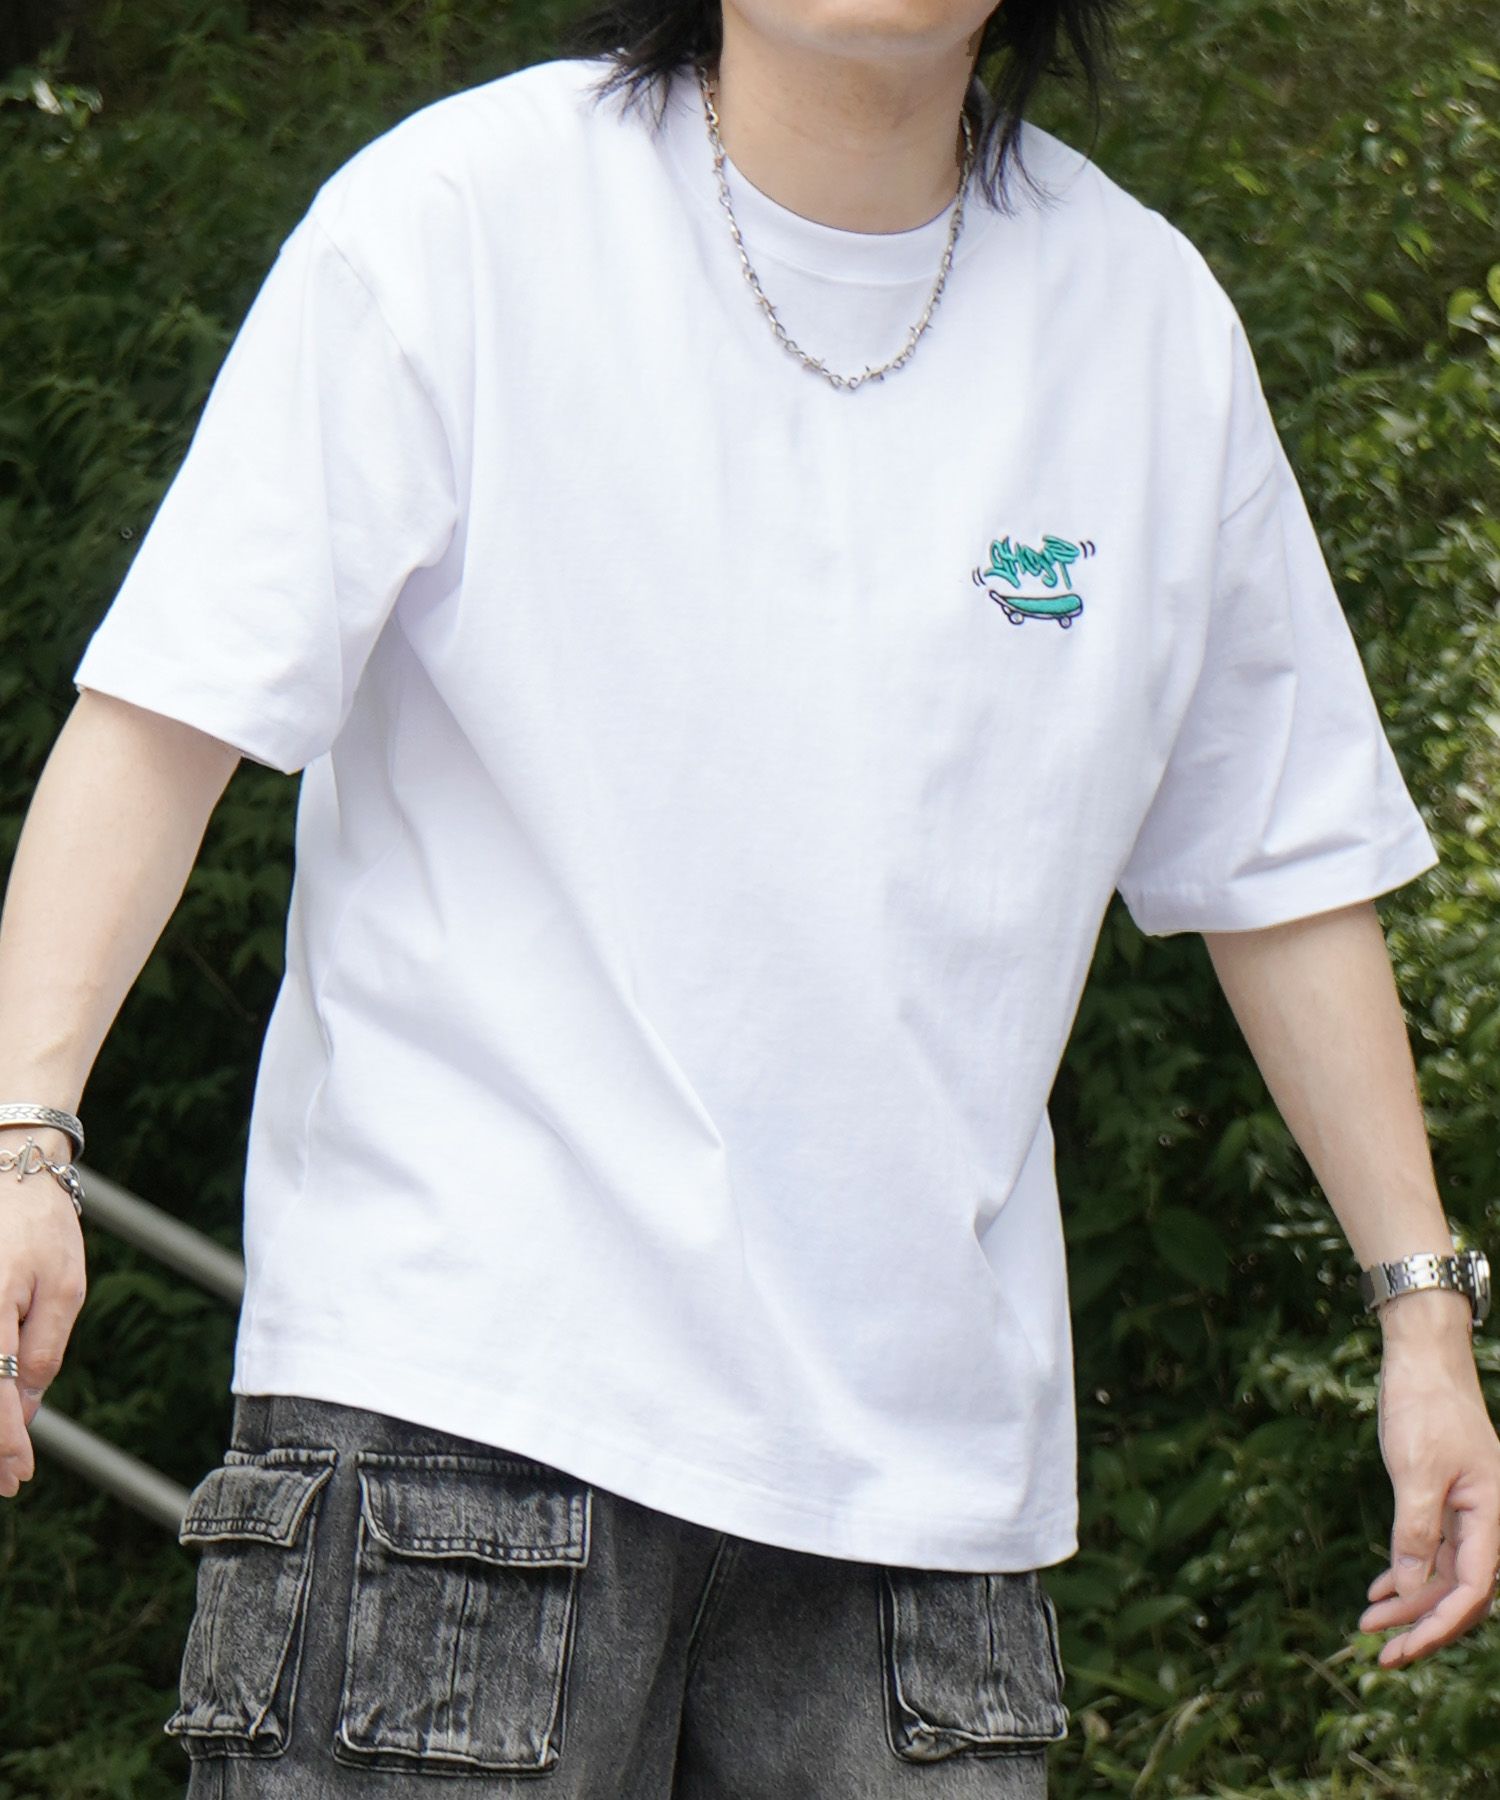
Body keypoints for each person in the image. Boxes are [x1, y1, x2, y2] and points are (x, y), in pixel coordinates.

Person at [1, 2, 1496, 1794]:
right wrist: (21, 1137)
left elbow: (1285, 863)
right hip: (459, 1424)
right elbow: (165, 714)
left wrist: (1424, 1313)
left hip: (922, 1526)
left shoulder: (1146, 325)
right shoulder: (463, 214)